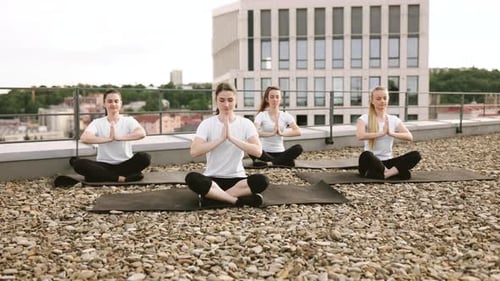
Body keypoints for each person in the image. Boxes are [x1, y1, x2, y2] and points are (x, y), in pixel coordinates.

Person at [185, 82, 269, 207]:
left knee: (262, 180)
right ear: (216, 101)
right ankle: (235, 201)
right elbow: (194, 151)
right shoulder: (207, 124)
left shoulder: (246, 123)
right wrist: (221, 139)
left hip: (237, 180)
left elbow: (258, 151)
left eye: (230, 100)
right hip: (212, 179)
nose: (226, 105)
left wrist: (231, 138)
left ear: (236, 100)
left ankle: (214, 198)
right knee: (191, 178)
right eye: (222, 100)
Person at [70, 89, 151, 182]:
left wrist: (118, 138)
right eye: (109, 101)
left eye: (116, 101)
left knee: (145, 157)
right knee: (79, 164)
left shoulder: (129, 120)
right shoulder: (97, 122)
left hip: (125, 164)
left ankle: (100, 177)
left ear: (120, 103)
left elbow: (141, 133)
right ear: (104, 104)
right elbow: (85, 137)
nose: (113, 104)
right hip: (104, 165)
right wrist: (108, 139)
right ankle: (122, 178)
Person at [356, 86, 421, 180]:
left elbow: (409, 136)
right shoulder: (364, 118)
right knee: (366, 154)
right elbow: (360, 136)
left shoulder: (393, 119)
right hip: (370, 162)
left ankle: (385, 174)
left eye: (384, 98)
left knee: (416, 155)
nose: (382, 101)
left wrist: (391, 133)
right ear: (372, 101)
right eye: (378, 99)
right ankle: (391, 173)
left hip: (387, 161)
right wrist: (381, 133)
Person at [251, 86, 303, 167]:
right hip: (264, 152)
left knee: (298, 148)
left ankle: (270, 163)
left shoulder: (285, 115)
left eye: (277, 97)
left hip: (280, 152)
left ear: (280, 99)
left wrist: (282, 133)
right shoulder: (261, 115)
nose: (274, 99)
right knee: (251, 146)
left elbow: (298, 131)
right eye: (271, 97)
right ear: (267, 99)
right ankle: (282, 162)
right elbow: (253, 132)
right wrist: (271, 134)